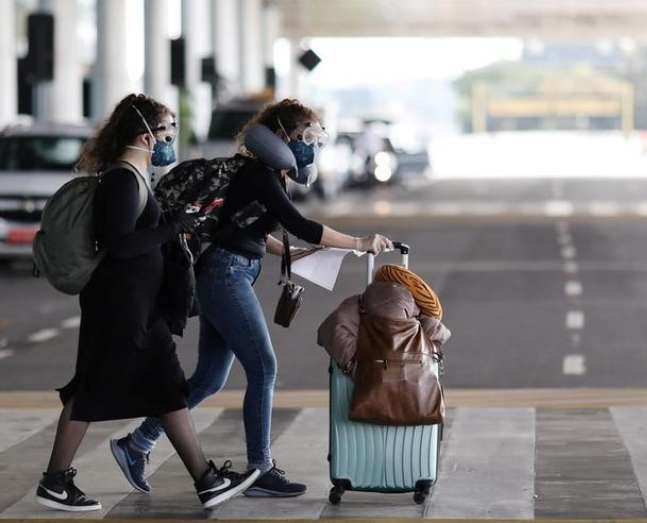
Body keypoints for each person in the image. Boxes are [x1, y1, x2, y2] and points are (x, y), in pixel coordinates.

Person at [111, 98, 393, 498]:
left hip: (228, 271)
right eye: (306, 136)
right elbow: (300, 223)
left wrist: (292, 253)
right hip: (226, 276)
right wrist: (360, 242)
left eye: (317, 138)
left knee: (209, 378)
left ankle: (136, 443)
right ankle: (260, 468)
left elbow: (246, 229)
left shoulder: (265, 174)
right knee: (264, 367)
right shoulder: (260, 172)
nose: (311, 145)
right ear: (282, 135)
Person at [36, 93, 259, 512]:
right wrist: (172, 225)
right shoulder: (122, 179)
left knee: (165, 388)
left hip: (136, 304)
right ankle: (56, 480)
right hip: (121, 306)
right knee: (98, 390)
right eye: (167, 130)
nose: (171, 138)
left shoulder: (135, 178)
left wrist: (178, 229)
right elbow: (119, 245)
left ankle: (207, 480)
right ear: (144, 135)